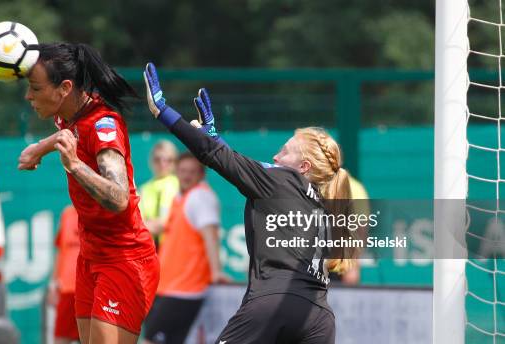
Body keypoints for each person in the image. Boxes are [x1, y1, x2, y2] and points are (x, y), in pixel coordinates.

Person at [144, 63, 360, 344]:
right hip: (318, 317)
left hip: (271, 304)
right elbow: (233, 159)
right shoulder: (323, 201)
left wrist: (163, 111)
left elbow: (217, 157)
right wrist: (213, 136)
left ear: (304, 166)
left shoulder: (280, 180)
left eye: (285, 151)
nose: (277, 155)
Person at [17, 43, 159, 344]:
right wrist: (40, 149)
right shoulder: (68, 113)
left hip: (124, 259)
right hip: (91, 257)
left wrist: (75, 165)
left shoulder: (104, 125)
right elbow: (67, 132)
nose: (29, 96)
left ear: (64, 88)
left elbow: (119, 198)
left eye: (35, 88)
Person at [143, 152, 228, 344]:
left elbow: (210, 234)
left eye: (192, 172)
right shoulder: (181, 197)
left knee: (150, 340)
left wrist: (216, 271)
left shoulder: (200, 196)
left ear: (201, 174)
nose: (186, 176)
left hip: (184, 290)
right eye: (182, 171)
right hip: (171, 287)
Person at [48, 205, 81, 344]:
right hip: (68, 288)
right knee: (61, 338)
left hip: (93, 289)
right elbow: (61, 250)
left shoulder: (103, 210)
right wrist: (53, 283)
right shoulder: (67, 213)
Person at [138, 140, 179, 248]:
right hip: (150, 249)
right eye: (158, 159)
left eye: (168, 160)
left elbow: (177, 222)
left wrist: (153, 224)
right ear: (151, 161)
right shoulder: (143, 189)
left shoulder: (181, 185)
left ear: (175, 162)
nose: (162, 163)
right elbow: (137, 224)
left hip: (175, 248)